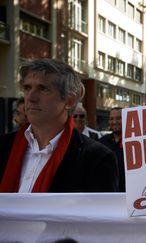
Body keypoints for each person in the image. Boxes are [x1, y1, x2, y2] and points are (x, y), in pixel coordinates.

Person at [0, 59, 119, 193]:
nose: (31, 97)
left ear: (69, 101)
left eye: (43, 89)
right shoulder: (4, 146)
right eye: (27, 88)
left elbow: (99, 213)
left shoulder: (97, 158)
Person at [100, 107, 125, 192]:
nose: (114, 122)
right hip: (107, 192)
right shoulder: (102, 141)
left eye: (118, 118)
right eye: (111, 119)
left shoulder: (133, 140)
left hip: (128, 193)